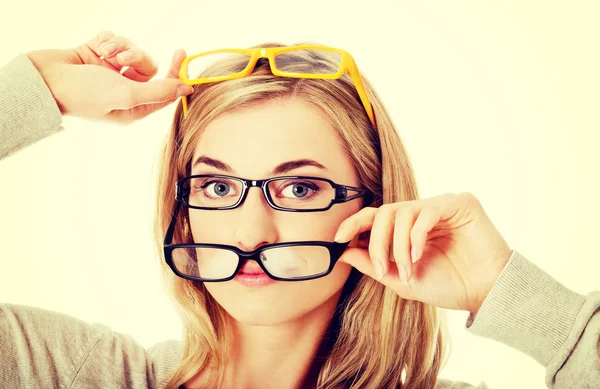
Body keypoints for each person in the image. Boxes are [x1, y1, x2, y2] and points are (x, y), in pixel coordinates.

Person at [0, 30, 598, 389]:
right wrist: (36, 88)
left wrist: (507, 293)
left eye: (300, 189)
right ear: (181, 210)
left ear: (373, 206)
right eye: (216, 187)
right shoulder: (75, 372)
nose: (250, 232)